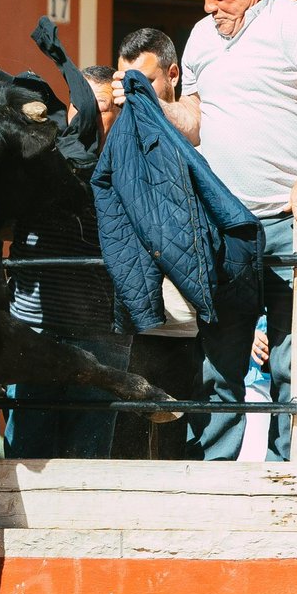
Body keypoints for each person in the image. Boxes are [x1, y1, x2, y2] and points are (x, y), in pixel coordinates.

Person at [115, 0, 297, 461]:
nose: (207, 7)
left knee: (291, 361)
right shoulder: (203, 37)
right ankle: (213, 475)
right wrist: (151, 101)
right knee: (219, 361)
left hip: (291, 218)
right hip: (224, 224)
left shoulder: (291, 20)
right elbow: (197, 120)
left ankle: (287, 475)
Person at [2, 66, 129, 460]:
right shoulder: (40, 154)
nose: (86, 115)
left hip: (101, 338)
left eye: (100, 106)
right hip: (33, 330)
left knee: (89, 457)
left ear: (120, 113)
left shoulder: (132, 166)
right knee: (27, 454)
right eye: (79, 104)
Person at [111, 29, 201, 459]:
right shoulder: (116, 129)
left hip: (190, 324)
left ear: (173, 76)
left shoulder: (198, 130)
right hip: (133, 321)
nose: (132, 93)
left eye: (142, 83)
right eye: (124, 81)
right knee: (125, 445)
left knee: (180, 450)